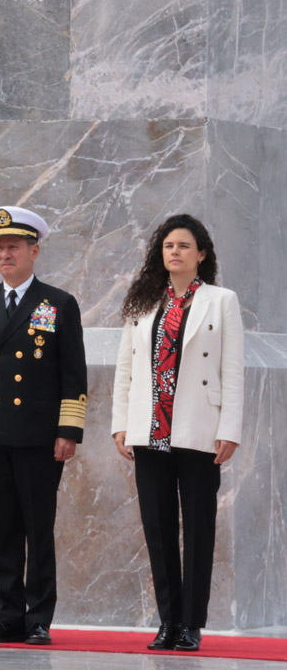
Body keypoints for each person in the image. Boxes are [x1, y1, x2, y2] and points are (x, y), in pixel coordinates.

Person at [0, 206, 87, 646]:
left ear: (34, 250)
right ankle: (7, 616)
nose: (4, 254)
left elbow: (73, 375)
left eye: (13, 246)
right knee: (3, 529)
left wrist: (69, 432)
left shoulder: (57, 303)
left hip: (38, 437)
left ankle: (38, 618)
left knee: (37, 528)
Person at [110, 214, 243, 653]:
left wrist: (230, 428)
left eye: (184, 246)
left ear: (201, 254)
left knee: (199, 527)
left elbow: (232, 371)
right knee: (158, 527)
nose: (175, 252)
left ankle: (192, 624)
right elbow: (126, 367)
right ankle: (168, 622)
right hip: (151, 430)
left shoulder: (221, 300)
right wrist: (121, 423)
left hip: (201, 428)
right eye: (168, 245)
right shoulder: (144, 301)